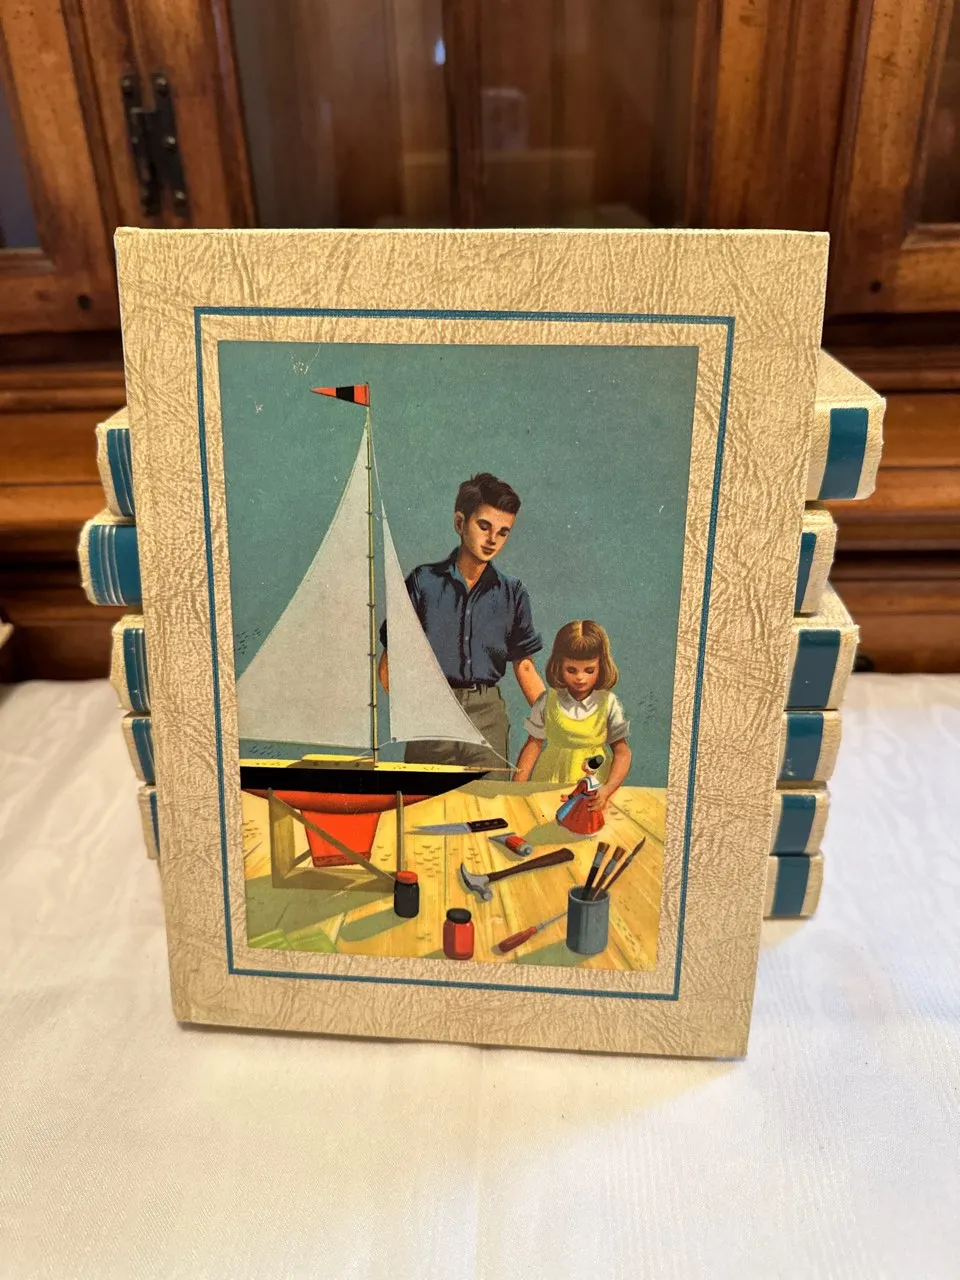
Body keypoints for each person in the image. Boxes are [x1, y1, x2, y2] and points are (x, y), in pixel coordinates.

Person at [378, 472, 544, 773]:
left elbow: (525, 666)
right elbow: (390, 663)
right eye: (484, 526)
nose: (492, 540)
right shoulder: (423, 583)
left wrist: (556, 717)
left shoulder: (513, 592)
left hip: (488, 719)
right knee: (423, 800)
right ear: (460, 523)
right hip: (433, 716)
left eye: (503, 532)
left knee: (489, 801)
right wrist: (418, 709)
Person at [513, 620, 631, 816]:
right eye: (571, 670)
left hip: (594, 792)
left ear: (601, 666)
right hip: (549, 785)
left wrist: (607, 790)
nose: (580, 678)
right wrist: (515, 791)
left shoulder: (609, 703)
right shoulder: (547, 701)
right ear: (559, 665)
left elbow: (622, 752)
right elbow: (533, 745)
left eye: (589, 670)